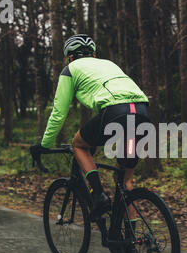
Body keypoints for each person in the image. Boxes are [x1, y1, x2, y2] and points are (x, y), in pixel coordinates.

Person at [30, 34, 150, 225]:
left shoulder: (70, 69)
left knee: (79, 145)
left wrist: (45, 144)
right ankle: (132, 240)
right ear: (93, 55)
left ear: (70, 57)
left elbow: (59, 113)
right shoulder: (108, 64)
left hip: (116, 112)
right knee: (124, 182)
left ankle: (98, 196)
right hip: (142, 112)